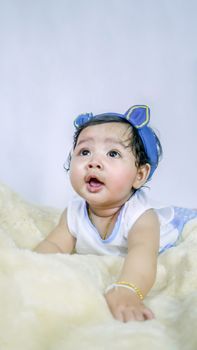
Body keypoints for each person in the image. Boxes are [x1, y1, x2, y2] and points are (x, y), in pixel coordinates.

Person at [34, 105, 197, 322]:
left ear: (139, 175)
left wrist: (127, 290)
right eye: (84, 152)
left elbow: (142, 256)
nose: (94, 162)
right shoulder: (74, 212)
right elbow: (54, 246)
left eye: (113, 153)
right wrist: (29, 265)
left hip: (179, 225)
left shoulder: (141, 217)